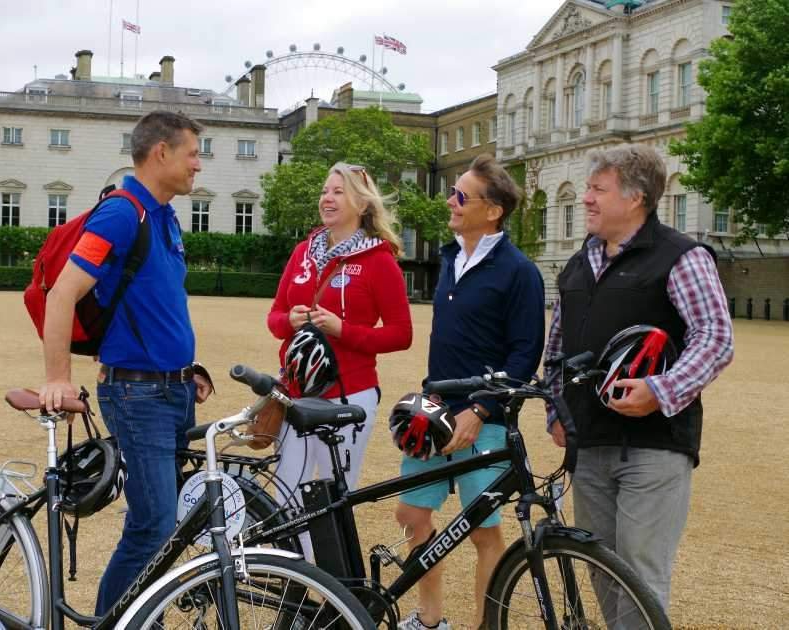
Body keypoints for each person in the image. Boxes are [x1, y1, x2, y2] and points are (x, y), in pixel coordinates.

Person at [544, 144, 733, 614]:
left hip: (654, 447)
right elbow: (556, 349)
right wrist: (556, 409)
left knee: (640, 575)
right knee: (602, 568)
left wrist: (661, 390)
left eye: (597, 189)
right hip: (588, 446)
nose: (585, 198)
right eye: (588, 188)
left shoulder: (681, 257)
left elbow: (715, 337)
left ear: (635, 198)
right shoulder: (577, 263)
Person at [39, 111, 214, 615]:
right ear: (161, 152)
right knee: (152, 524)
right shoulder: (122, 213)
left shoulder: (164, 213)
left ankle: (139, 618)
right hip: (139, 397)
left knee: (164, 521)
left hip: (170, 391)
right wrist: (58, 379)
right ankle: (116, 623)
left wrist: (185, 369)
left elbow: (155, 303)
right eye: (193, 153)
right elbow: (62, 295)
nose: (198, 165)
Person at [395, 155, 545, 630]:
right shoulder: (448, 258)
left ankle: (486, 624)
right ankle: (430, 619)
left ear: (494, 209)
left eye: (461, 195)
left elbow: (525, 355)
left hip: (486, 422)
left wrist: (481, 409)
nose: (451, 202)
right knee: (412, 514)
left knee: (484, 532)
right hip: (435, 413)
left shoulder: (520, 272)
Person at [266, 162, 413, 522]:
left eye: (338, 192)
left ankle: (327, 576)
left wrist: (343, 330)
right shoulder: (302, 252)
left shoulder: (380, 260)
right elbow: (274, 318)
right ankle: (292, 572)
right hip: (296, 394)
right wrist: (291, 321)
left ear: (362, 205)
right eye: (324, 191)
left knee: (333, 498)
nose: (327, 199)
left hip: (349, 395)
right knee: (287, 496)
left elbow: (401, 333)